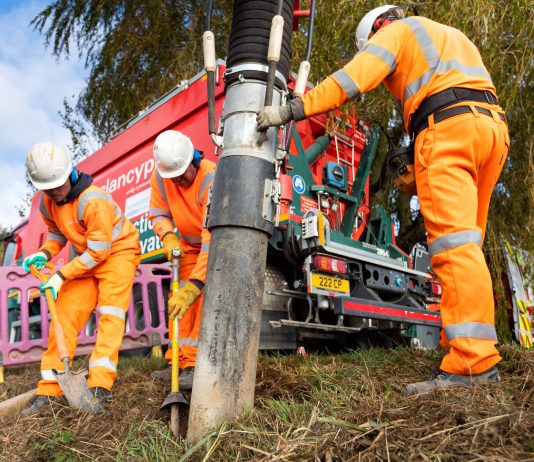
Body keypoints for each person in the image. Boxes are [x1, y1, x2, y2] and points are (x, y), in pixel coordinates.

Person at [257, 5, 509, 396]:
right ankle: (464, 344)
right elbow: (451, 89)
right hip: (491, 133)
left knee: (451, 249)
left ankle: (471, 363)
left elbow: (352, 80)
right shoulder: (449, 37)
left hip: (449, 131)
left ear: (377, 29)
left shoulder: (396, 33)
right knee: (467, 245)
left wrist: (292, 108)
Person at [22, 142, 140, 414]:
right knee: (64, 314)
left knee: (110, 314)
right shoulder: (47, 203)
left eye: (57, 186)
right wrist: (44, 253)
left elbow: (100, 252)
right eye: (46, 189)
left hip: (118, 253)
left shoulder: (92, 200)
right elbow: (57, 233)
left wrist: (61, 274)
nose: (53, 192)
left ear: (69, 173)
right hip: (87, 256)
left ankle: (100, 386)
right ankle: (50, 390)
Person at [148, 130, 214, 390]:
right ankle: (176, 361)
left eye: (182, 174)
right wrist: (167, 236)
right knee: (177, 302)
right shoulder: (161, 177)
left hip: (213, 244)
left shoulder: (211, 178)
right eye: (172, 177)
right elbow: (158, 213)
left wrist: (195, 285)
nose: (178, 180)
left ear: (192, 160)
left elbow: (211, 238)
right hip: (187, 246)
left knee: (198, 300)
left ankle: (194, 365)